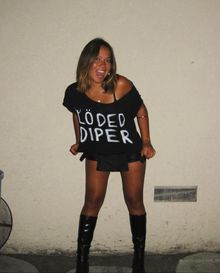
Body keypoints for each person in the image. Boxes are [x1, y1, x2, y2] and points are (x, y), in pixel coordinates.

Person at [63, 38, 156, 273]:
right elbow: (77, 114)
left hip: (130, 151)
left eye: (108, 60)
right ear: (86, 61)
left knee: (134, 201)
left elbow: (141, 111)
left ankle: (139, 262)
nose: (103, 65)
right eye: (97, 59)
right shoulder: (74, 92)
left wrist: (146, 142)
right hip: (98, 150)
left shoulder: (121, 84)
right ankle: (81, 262)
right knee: (92, 201)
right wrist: (81, 141)